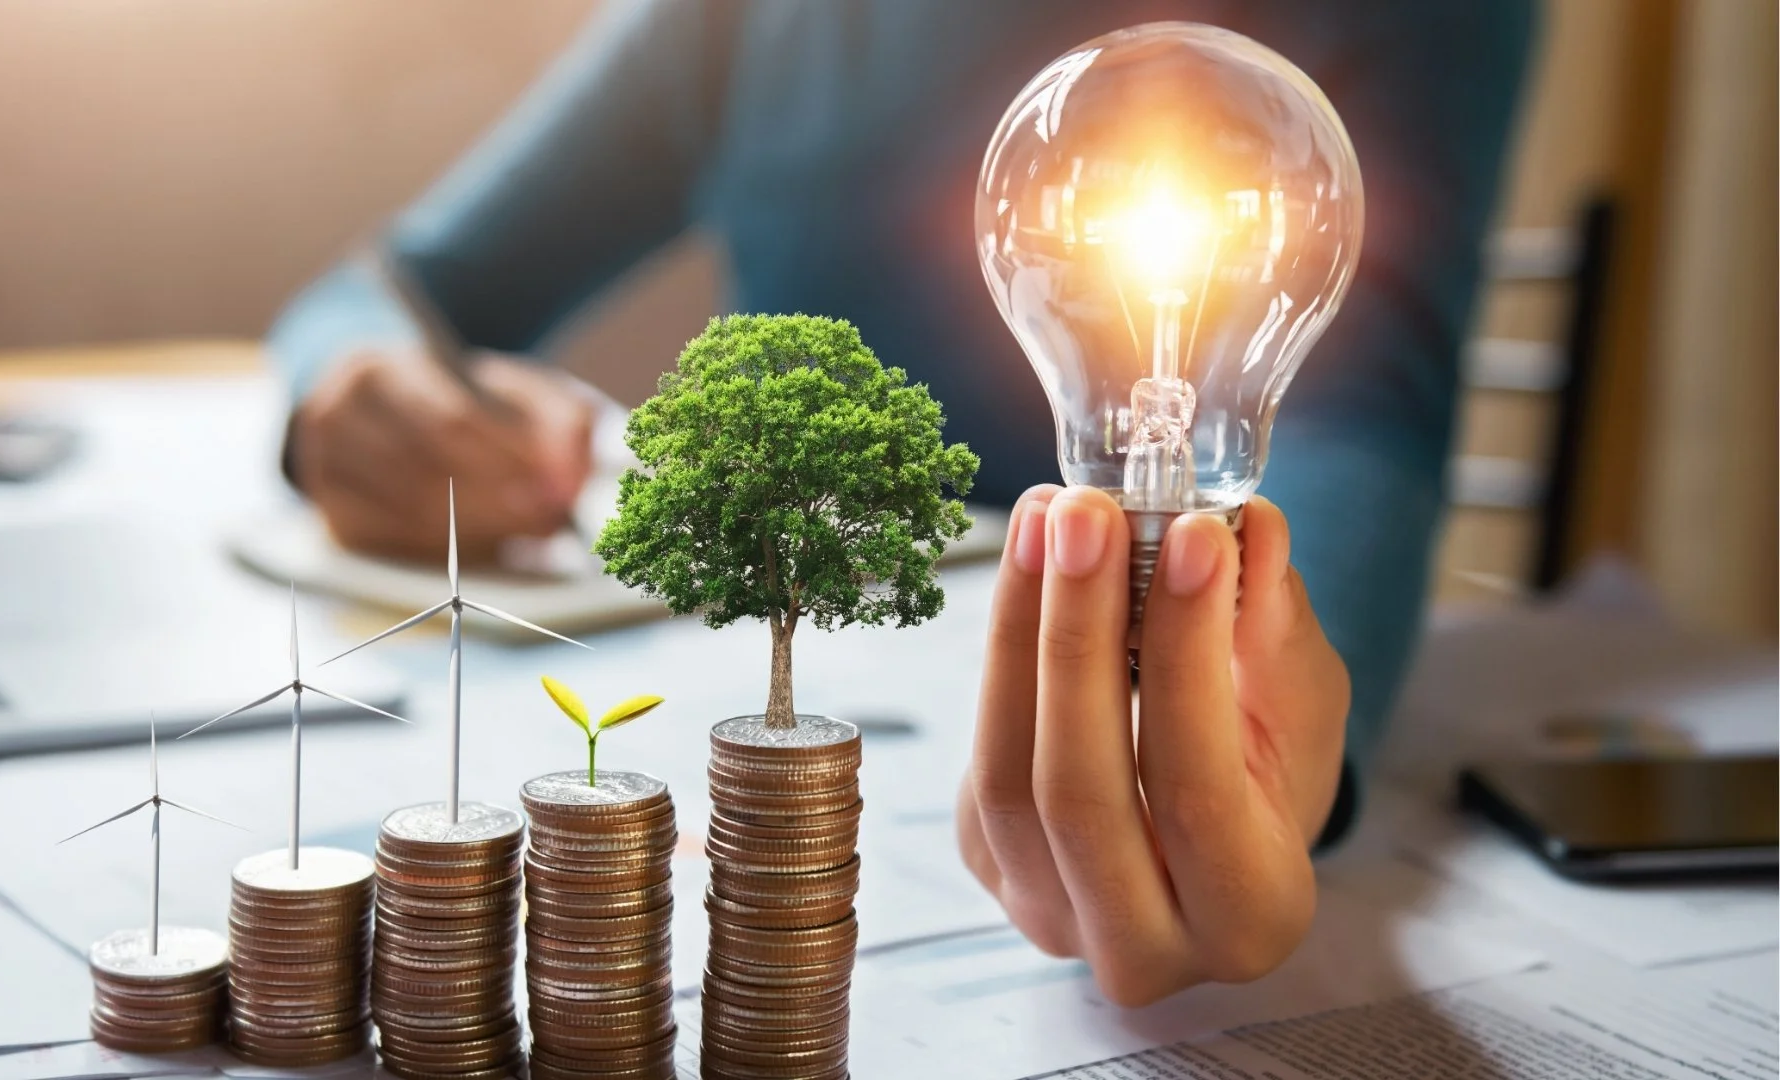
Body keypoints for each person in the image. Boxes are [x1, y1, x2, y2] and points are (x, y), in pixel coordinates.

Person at [269, 0, 1534, 1005]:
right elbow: (393, 287)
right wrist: (349, 388)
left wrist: (1288, 740)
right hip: (777, 645)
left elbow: (1368, 410)